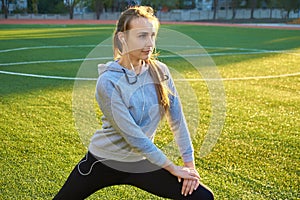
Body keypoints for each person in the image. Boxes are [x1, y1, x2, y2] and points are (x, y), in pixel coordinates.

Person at [54, 6, 214, 200]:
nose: (150, 43)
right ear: (123, 38)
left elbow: (178, 121)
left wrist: (190, 168)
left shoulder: (161, 71)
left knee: (202, 197)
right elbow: (135, 137)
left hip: (142, 163)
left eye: (152, 35)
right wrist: (172, 168)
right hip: (103, 160)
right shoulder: (108, 82)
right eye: (141, 36)